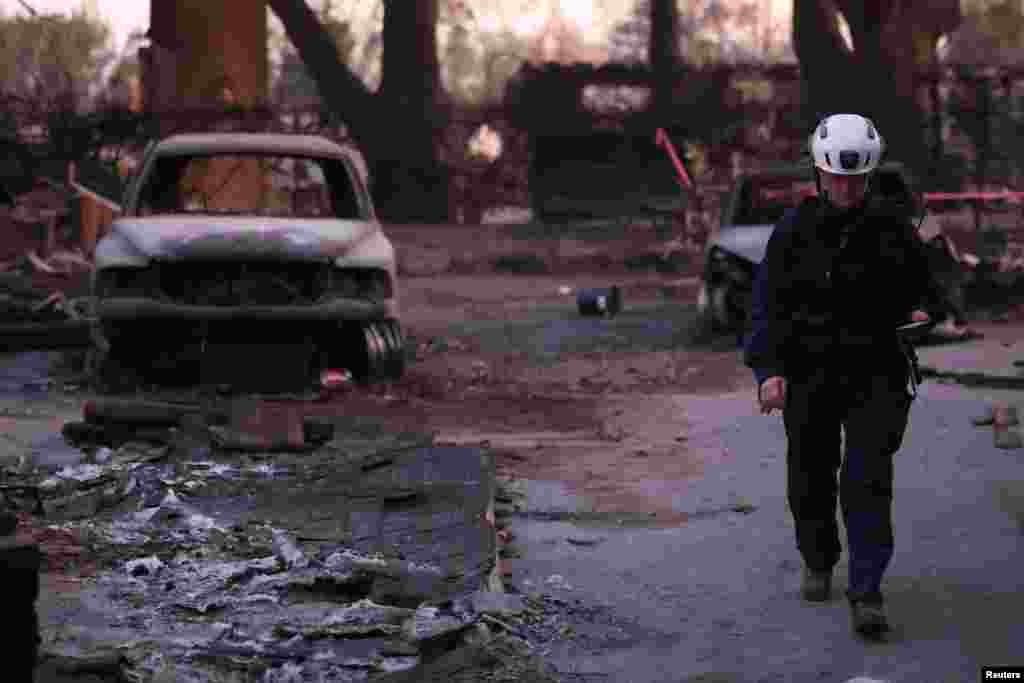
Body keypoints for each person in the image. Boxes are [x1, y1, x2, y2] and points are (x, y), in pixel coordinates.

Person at [743, 113, 947, 639]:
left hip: (875, 371)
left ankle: (866, 591)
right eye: (835, 178)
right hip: (809, 374)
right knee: (810, 478)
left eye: (855, 180)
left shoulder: (894, 229)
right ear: (818, 174)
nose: (845, 188)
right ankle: (818, 556)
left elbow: (931, 291)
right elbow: (766, 305)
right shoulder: (794, 231)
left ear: (869, 177)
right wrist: (769, 371)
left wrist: (926, 312)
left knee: (867, 480)